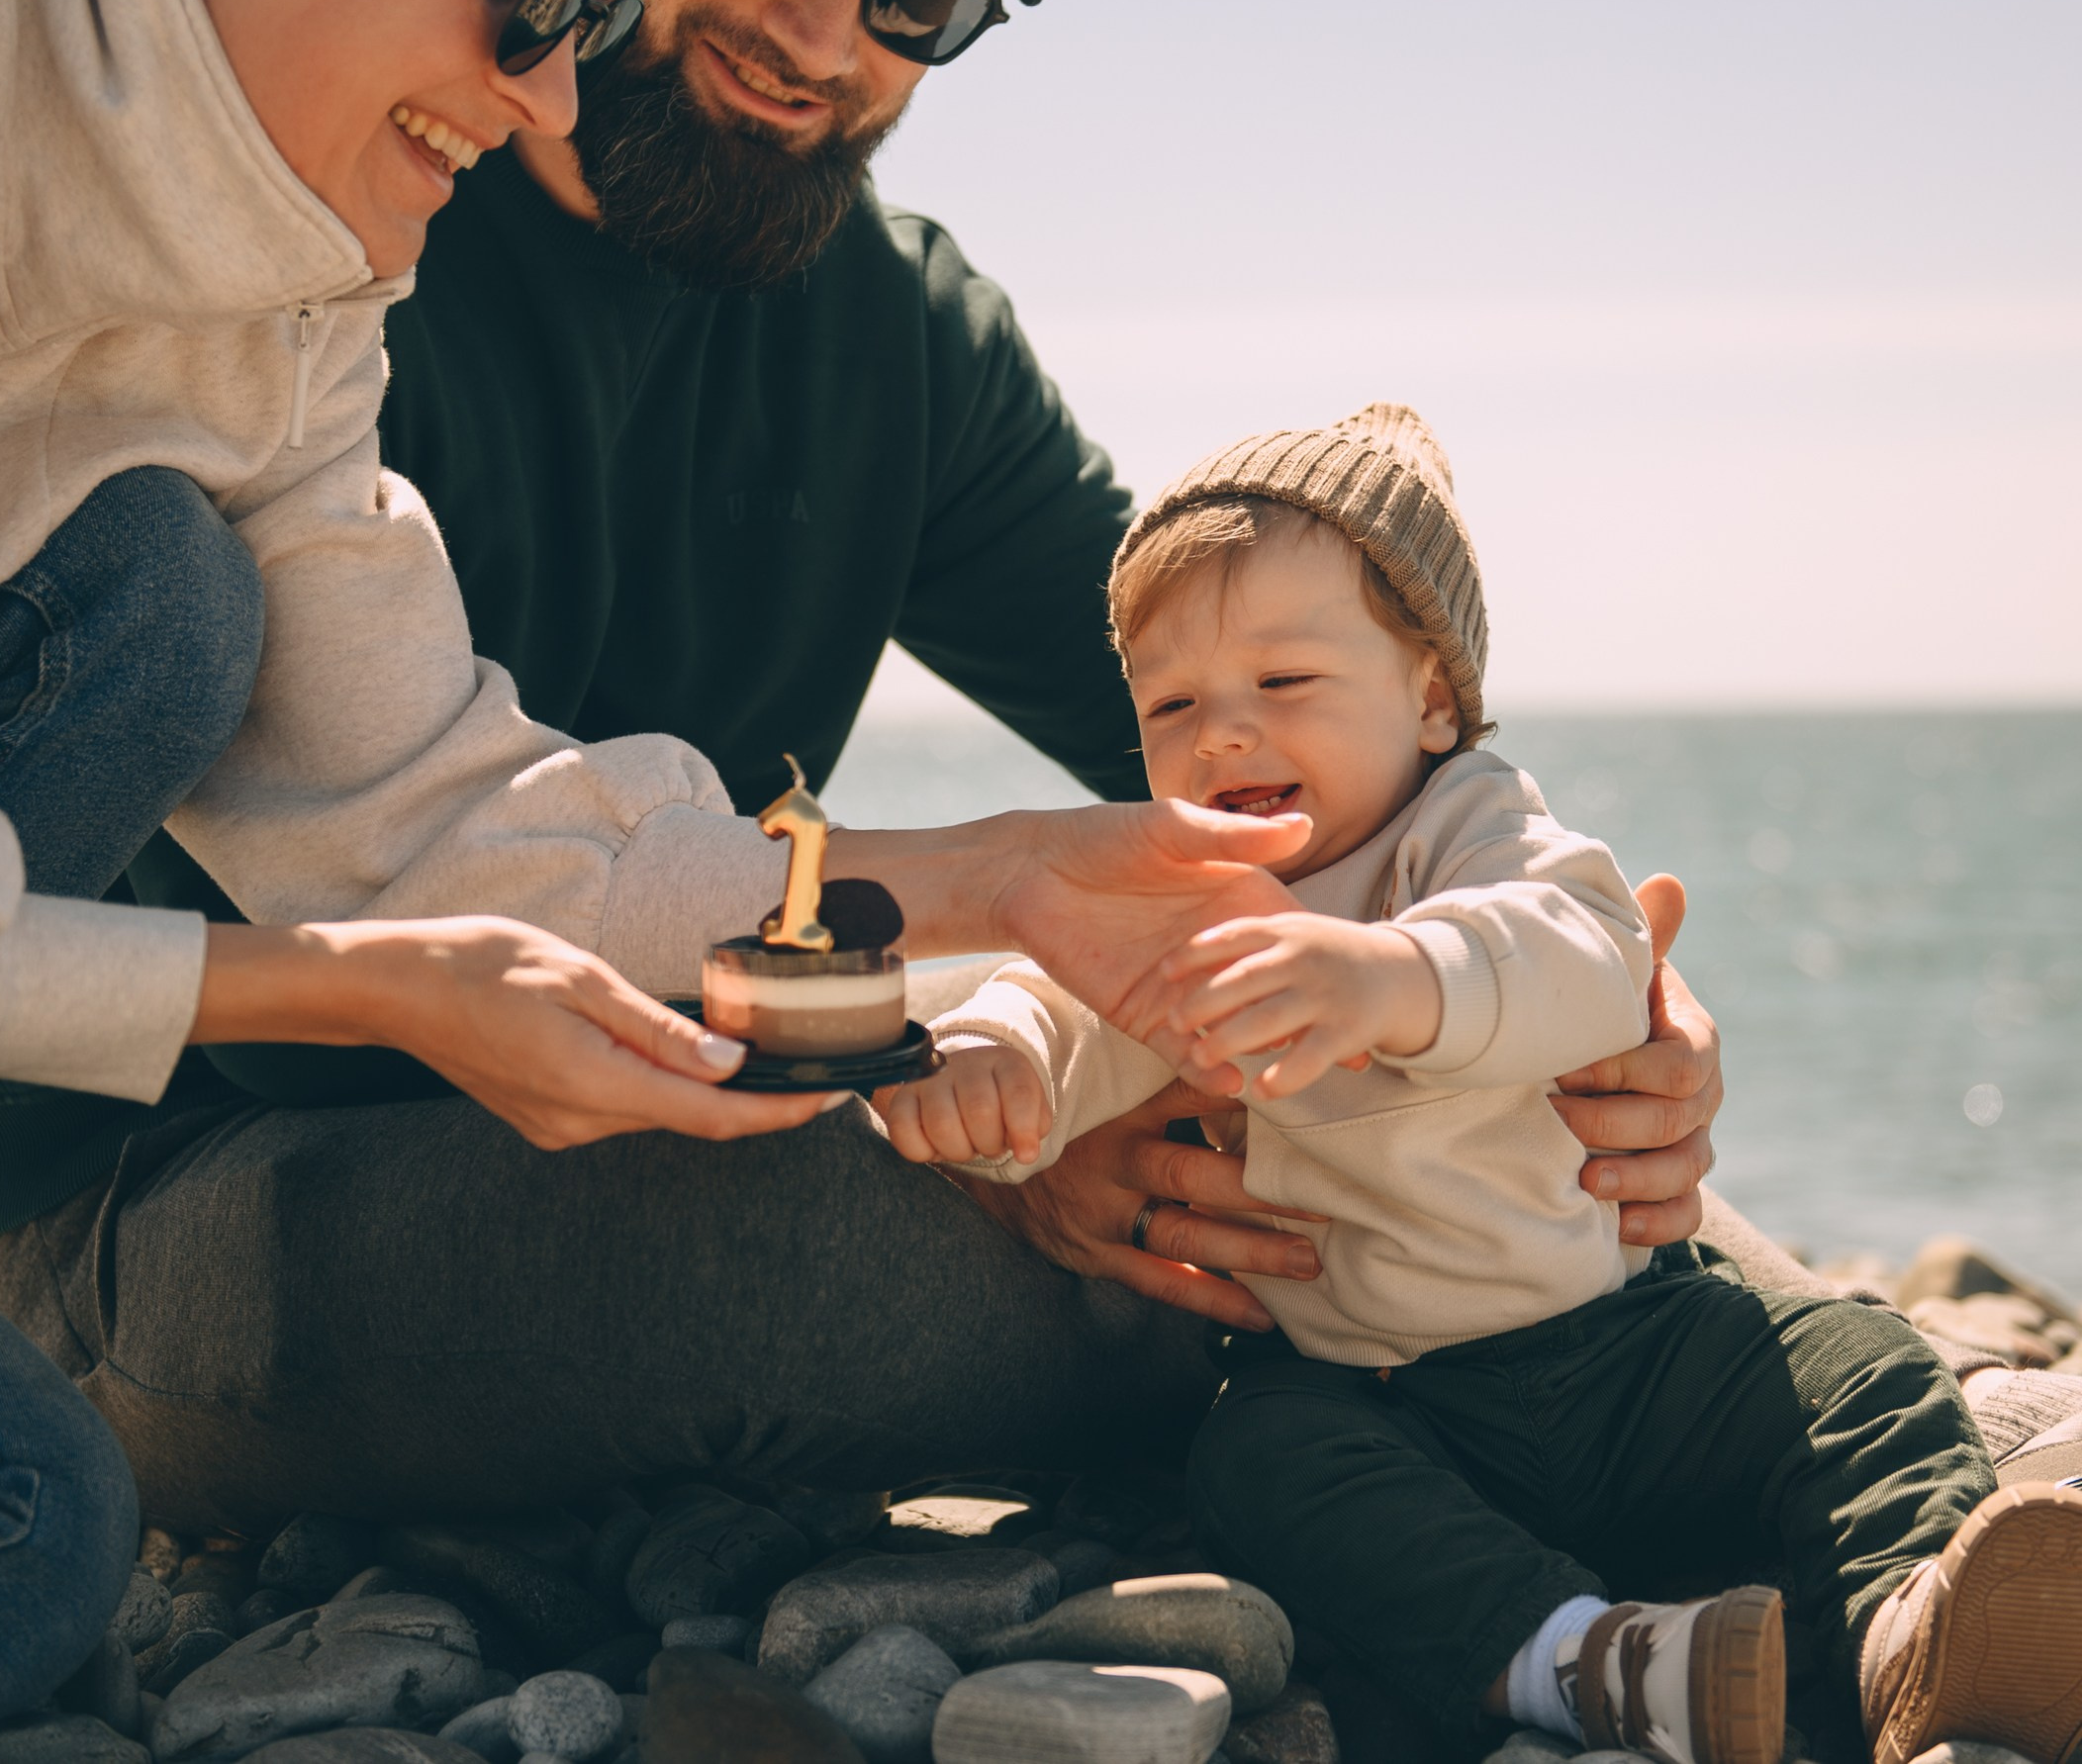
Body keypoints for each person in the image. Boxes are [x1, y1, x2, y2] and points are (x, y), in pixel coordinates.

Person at [0, 0, 1717, 1546]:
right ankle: (1461, 1406)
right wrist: (1033, 1123)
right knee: (791, 1249)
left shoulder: (904, 334)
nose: (822, 37)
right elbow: (417, 832)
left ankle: (1773, 1462)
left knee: (1538, 1196)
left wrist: (1541, 972)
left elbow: (1261, 744)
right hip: (204, 1183)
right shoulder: (366, 195)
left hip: (710, 1104)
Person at [0, 0, 1321, 1735]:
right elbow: (404, 929)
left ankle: (1549, 1291)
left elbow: (444, 814)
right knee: (28, 1542)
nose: (548, 85)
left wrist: (1509, 975)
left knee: (1375, 1139)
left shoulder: (348, 246)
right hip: (184, 1191)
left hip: (457, 1075)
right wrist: (354, 992)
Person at [889, 408, 2082, 1764]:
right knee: (1258, 1467)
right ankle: (1598, 1662)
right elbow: (1070, 994)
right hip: (1380, 1396)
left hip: (1625, 1349)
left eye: (1281, 681)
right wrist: (999, 1066)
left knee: (1854, 1360)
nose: (1222, 736)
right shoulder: (1192, 901)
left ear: (1433, 698)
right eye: (1173, 706)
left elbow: (1579, 945)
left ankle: (1912, 1633)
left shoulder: (1474, 825)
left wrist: (1393, 977)